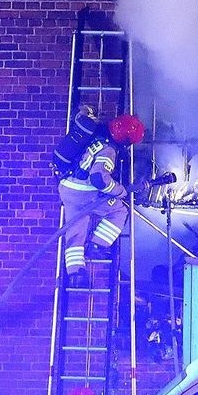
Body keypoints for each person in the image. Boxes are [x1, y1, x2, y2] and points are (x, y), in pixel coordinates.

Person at [58, 113, 146, 288]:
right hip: (87, 193)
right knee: (119, 211)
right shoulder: (109, 150)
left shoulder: (96, 138)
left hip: (67, 188)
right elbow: (98, 178)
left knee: (76, 230)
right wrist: (119, 191)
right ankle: (98, 245)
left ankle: (76, 273)